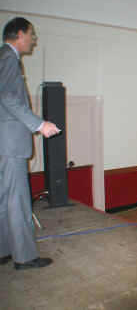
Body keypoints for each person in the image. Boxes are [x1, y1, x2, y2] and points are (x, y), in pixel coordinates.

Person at [0, 17, 61, 270]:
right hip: (10, 144)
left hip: (4, 143)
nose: (33, 40)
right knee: (17, 200)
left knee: (4, 199)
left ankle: (4, 249)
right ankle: (24, 257)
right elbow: (8, 97)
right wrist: (39, 124)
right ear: (20, 33)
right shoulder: (8, 59)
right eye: (31, 34)